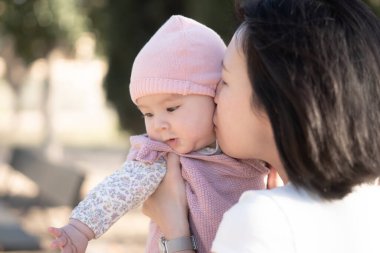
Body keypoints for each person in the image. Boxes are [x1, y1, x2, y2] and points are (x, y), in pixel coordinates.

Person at [142, 0, 380, 252]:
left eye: (224, 80)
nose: (213, 96)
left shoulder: (263, 219)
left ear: (276, 100)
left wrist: (175, 231)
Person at [48, 15, 270, 253]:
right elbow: (117, 190)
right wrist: (80, 230)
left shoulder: (243, 144)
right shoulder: (160, 157)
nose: (159, 125)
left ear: (214, 95)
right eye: (148, 114)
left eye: (171, 108)